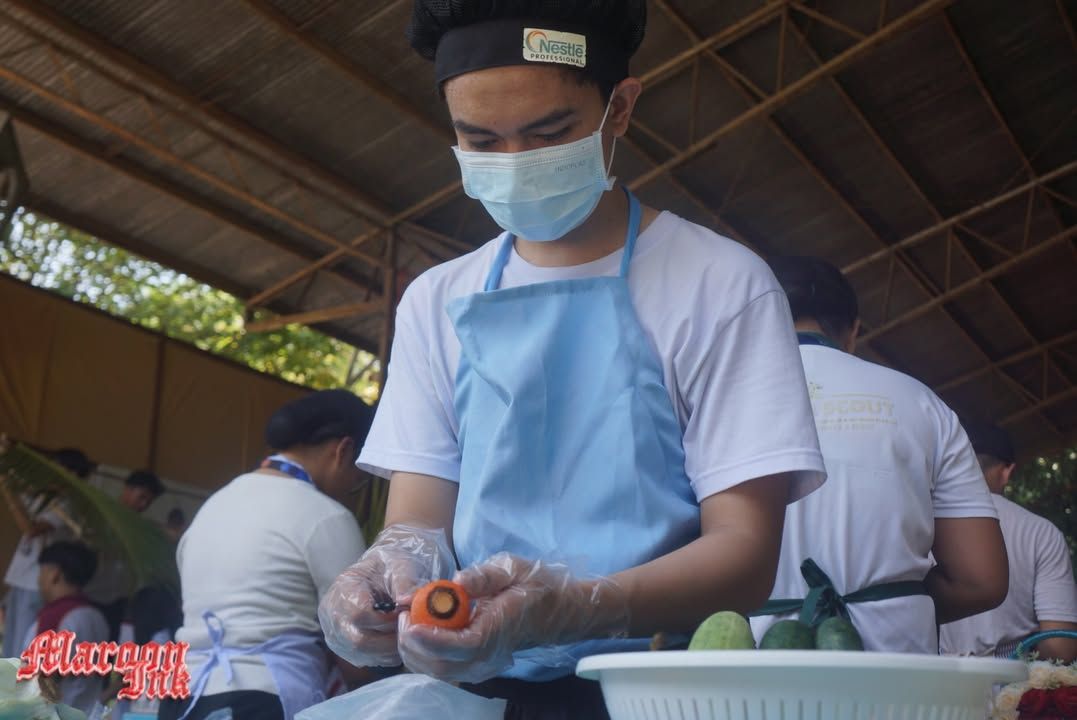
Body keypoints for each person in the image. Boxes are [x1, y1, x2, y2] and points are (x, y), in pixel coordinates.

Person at [318, 3, 826, 716]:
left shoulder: (719, 283)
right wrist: (386, 574)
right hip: (469, 684)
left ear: (619, 107)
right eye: (480, 140)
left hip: (654, 685)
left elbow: (742, 553)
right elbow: (418, 525)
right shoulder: (437, 300)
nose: (515, 164)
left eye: (548, 133)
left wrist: (578, 606)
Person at [750, 256, 1008, 653]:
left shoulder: (716, 402)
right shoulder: (922, 403)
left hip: (750, 665)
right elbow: (980, 579)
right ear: (852, 332)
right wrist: (893, 601)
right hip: (896, 668)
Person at [158, 390, 373, 720]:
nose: (350, 492)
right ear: (343, 451)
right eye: (357, 482)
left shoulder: (213, 506)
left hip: (182, 696)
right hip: (262, 700)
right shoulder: (326, 516)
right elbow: (358, 651)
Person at [940, 423, 1077, 662]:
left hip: (931, 683)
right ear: (1006, 471)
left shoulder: (923, 524)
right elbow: (1061, 647)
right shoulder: (1041, 533)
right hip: (1011, 689)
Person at [2, 446, 94, 657]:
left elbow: (30, 529)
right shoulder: (43, 498)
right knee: (9, 643)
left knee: (21, 647)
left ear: (70, 473)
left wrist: (7, 490)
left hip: (37, 581)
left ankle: (16, 689)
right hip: (21, 579)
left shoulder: (67, 504)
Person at [22, 540, 110, 714]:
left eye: (42, 572)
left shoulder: (55, 617)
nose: (39, 580)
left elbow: (41, 678)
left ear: (55, 574)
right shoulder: (97, 617)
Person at [85, 469, 166, 642]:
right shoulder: (101, 513)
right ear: (127, 489)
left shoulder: (142, 527)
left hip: (118, 600)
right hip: (91, 594)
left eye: (149, 502)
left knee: (106, 656)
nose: (143, 505)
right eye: (141, 497)